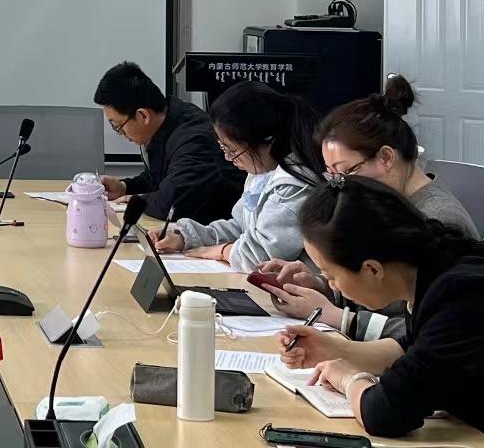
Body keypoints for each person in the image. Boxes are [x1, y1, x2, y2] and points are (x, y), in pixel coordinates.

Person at [260, 75, 478, 340]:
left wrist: (340, 318)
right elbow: (373, 284)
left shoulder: (439, 219)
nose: (341, 186)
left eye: (346, 172)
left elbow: (431, 328)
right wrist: (324, 283)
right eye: (331, 176)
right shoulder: (379, 206)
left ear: (386, 157)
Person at [278, 176, 484, 437]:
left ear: (372, 269)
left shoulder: (459, 294)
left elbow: (385, 414)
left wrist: (350, 380)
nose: (333, 288)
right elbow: (414, 351)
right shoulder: (433, 269)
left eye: (331, 276)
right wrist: (333, 349)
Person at [153, 81, 323, 272]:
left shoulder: (294, 184)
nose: (227, 157)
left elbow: (263, 256)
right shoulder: (260, 173)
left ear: (267, 142)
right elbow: (239, 227)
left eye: (232, 150)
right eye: (223, 147)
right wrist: (185, 237)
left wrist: (223, 251)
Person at [93, 62, 243, 225]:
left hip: (228, 232)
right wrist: (125, 187)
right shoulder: (166, 123)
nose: (121, 134)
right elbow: (160, 179)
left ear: (143, 116)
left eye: (117, 126)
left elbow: (172, 203)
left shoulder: (194, 138)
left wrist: (138, 200)